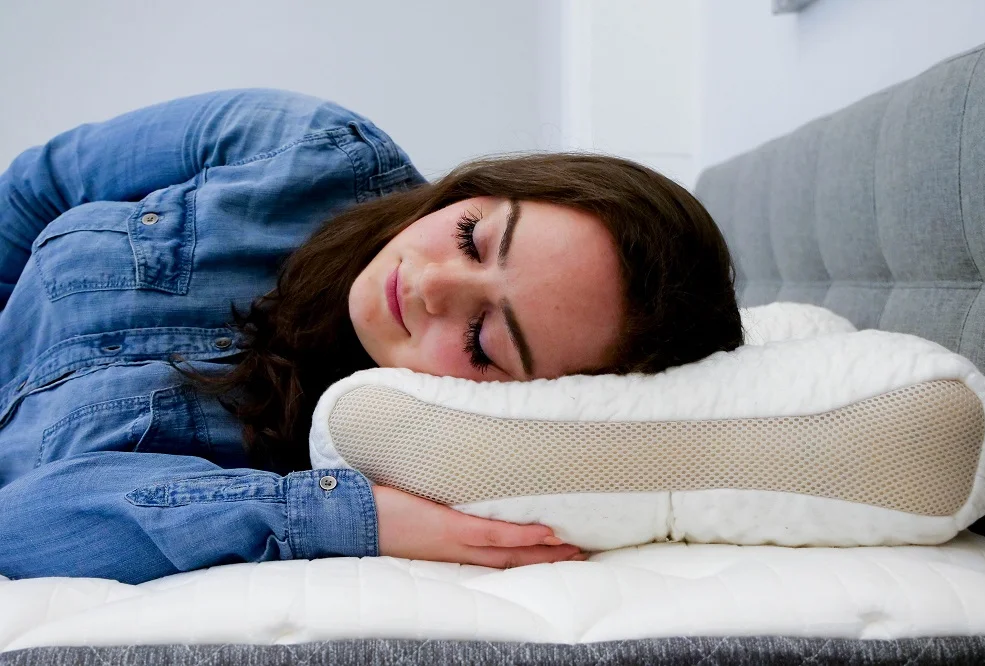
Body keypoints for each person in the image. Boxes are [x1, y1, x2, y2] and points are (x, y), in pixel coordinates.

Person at [0, 89, 743, 585]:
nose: (431, 287)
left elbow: (22, 526)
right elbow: (39, 188)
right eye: (471, 237)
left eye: (484, 339)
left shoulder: (367, 464)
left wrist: (335, 517)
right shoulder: (314, 149)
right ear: (475, 190)